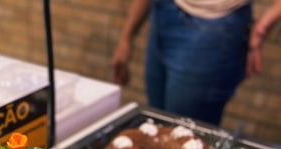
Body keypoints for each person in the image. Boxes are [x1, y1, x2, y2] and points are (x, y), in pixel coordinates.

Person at [111, 0, 281, 125]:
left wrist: (262, 27)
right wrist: (127, 36)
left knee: (183, 137)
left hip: (211, 27)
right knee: (158, 123)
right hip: (162, 12)